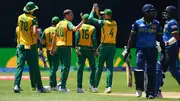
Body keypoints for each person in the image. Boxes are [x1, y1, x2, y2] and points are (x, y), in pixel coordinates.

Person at [122, 4, 162, 99]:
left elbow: (160, 38)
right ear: (145, 13)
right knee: (139, 69)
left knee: (152, 72)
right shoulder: (137, 23)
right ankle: (139, 88)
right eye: (150, 12)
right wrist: (127, 50)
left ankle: (150, 93)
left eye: (153, 11)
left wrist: (163, 50)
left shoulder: (156, 23)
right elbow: (131, 38)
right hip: (141, 50)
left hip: (153, 50)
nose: (153, 14)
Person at [13, 1, 47, 93]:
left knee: (19, 67)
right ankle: (39, 87)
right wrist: (41, 39)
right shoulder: (33, 19)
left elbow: (19, 30)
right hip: (31, 46)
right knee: (35, 67)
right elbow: (34, 32)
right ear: (32, 10)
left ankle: (16, 85)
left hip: (21, 45)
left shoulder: (20, 17)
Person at [51, 9, 84, 92]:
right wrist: (83, 21)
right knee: (66, 67)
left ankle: (59, 84)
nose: (72, 16)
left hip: (58, 47)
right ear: (66, 16)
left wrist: (52, 48)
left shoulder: (58, 24)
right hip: (65, 47)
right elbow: (75, 29)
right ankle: (62, 86)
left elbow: (54, 37)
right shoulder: (68, 23)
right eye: (71, 15)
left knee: (60, 67)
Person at [88, 3, 117, 93]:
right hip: (112, 47)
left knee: (99, 67)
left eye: (104, 14)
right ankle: (108, 87)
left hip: (104, 47)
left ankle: (95, 87)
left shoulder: (104, 23)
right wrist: (98, 14)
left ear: (107, 15)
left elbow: (90, 19)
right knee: (109, 68)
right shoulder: (114, 23)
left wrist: (93, 10)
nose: (103, 15)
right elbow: (101, 21)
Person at [156, 5, 180, 97]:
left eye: (167, 12)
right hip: (168, 48)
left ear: (172, 14)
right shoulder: (168, 22)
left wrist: (166, 44)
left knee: (159, 68)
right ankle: (157, 90)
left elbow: (177, 36)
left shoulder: (173, 22)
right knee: (173, 70)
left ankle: (157, 91)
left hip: (170, 49)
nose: (165, 14)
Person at [75, 14, 97, 93]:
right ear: (89, 20)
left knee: (80, 68)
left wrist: (76, 48)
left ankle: (79, 87)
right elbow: (94, 39)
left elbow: (77, 37)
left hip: (81, 48)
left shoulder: (79, 27)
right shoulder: (92, 28)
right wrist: (95, 50)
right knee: (93, 68)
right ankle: (92, 86)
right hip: (89, 49)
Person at [41, 16, 60, 90]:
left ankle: (54, 84)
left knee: (52, 68)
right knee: (54, 68)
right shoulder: (58, 29)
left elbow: (42, 41)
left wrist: (41, 49)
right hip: (56, 50)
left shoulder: (46, 30)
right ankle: (52, 85)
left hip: (48, 51)